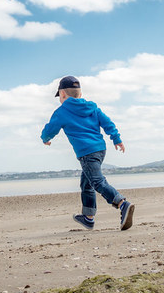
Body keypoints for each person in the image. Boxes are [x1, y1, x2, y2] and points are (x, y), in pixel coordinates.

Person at [41, 76, 134, 231]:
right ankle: (88, 218)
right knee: (87, 183)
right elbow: (108, 123)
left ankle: (122, 204)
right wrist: (116, 139)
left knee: (97, 182)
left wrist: (45, 139)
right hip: (100, 150)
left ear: (62, 94)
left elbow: (50, 129)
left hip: (86, 153)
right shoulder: (93, 108)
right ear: (80, 93)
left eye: (59, 97)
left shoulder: (62, 112)